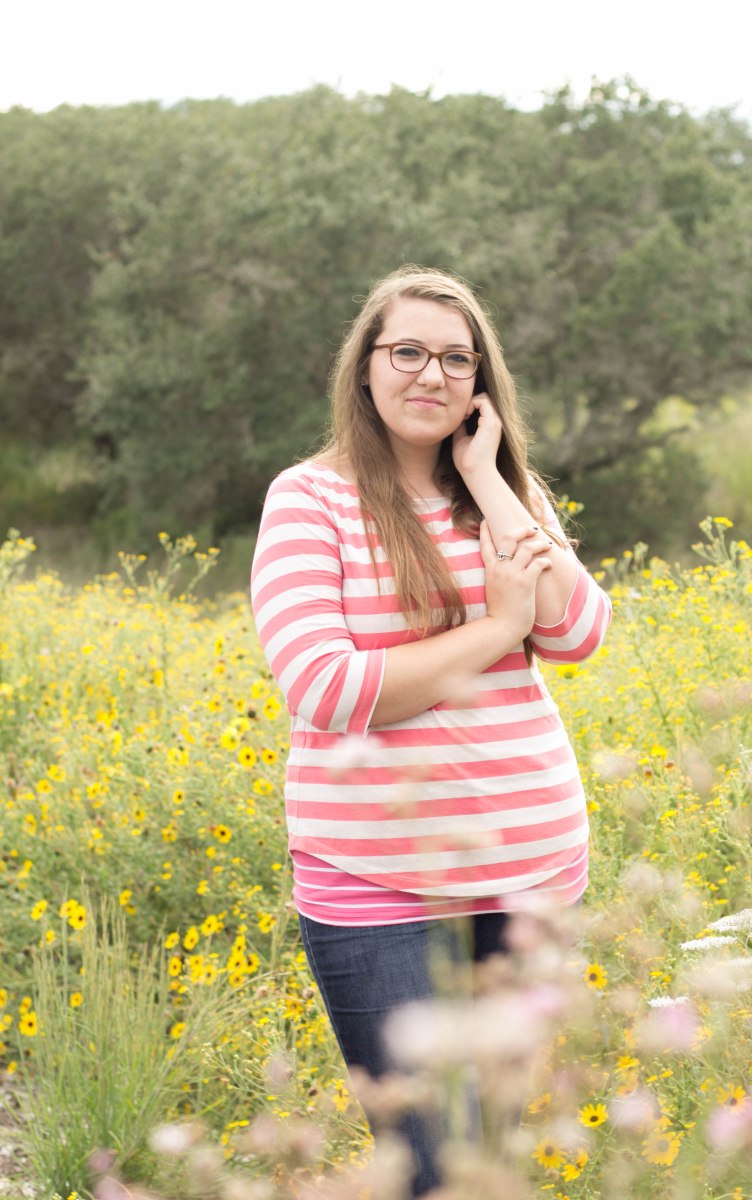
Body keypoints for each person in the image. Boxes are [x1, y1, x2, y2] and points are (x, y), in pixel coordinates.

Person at [250, 265, 611, 1195]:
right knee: (426, 1165)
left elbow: (577, 631)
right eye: (407, 351)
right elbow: (327, 689)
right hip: (378, 886)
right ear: (365, 366)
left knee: (486, 1157)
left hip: (531, 876)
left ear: (480, 380)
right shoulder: (309, 499)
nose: (431, 374)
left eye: (457, 358)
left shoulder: (505, 495)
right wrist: (495, 629)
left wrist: (488, 478)